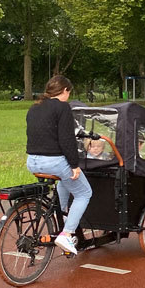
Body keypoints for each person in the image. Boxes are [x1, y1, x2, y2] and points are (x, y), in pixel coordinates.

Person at [25, 75, 92, 255]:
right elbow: (67, 140)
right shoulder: (62, 108)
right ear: (65, 91)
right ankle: (67, 233)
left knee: (65, 180)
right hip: (53, 162)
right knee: (84, 192)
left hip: (32, 161)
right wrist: (75, 165)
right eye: (68, 93)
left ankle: (59, 214)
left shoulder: (34, 108)